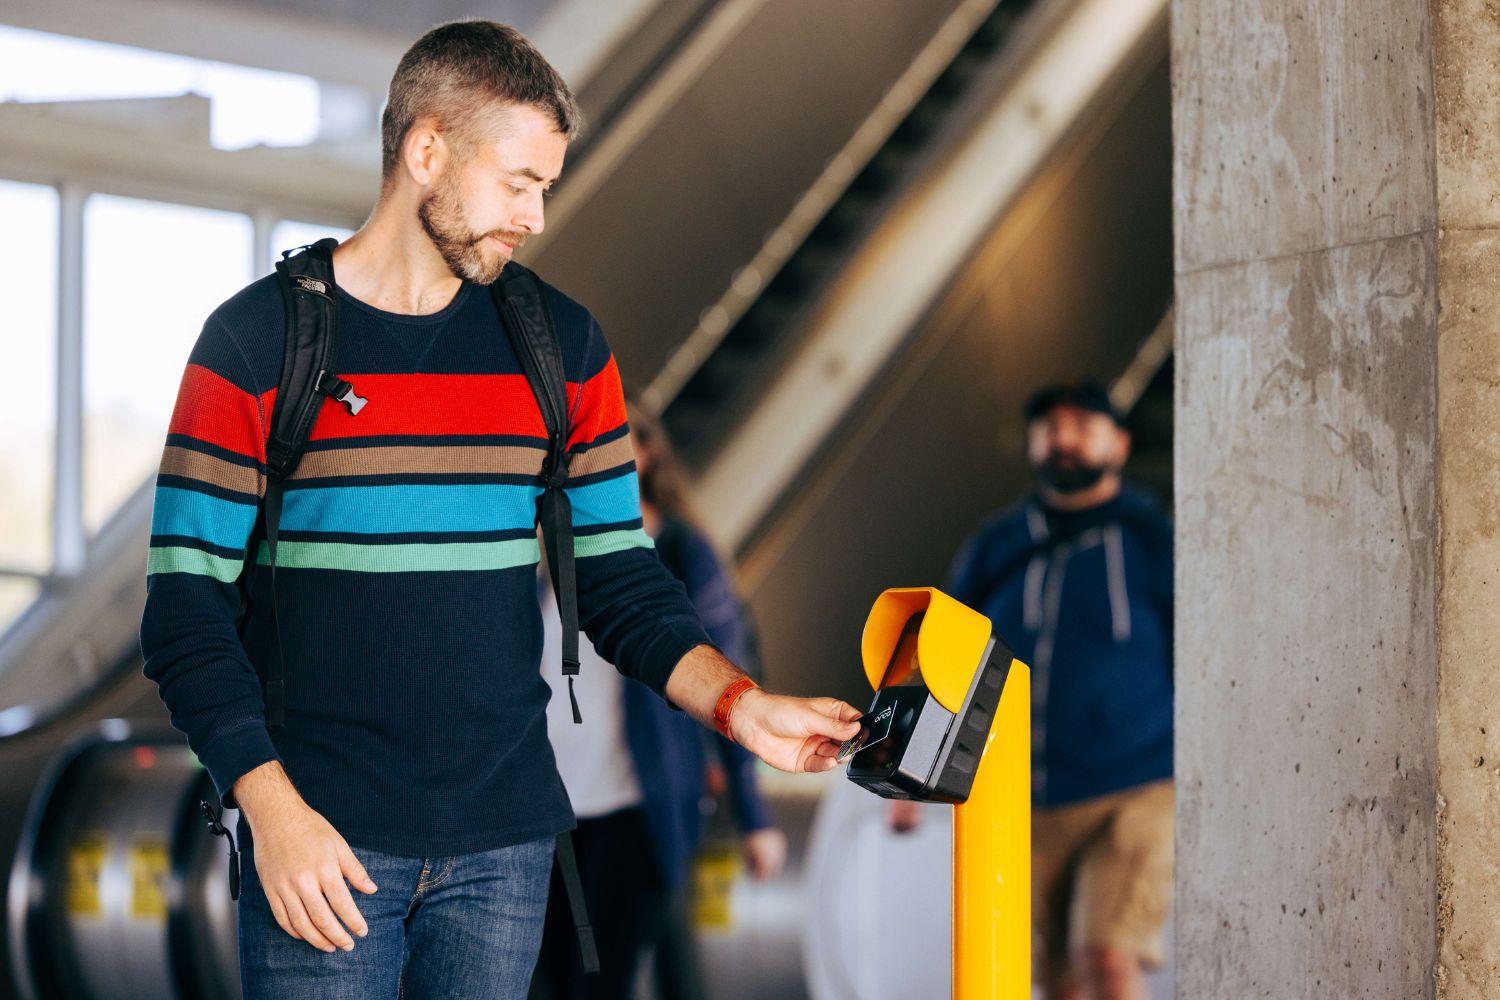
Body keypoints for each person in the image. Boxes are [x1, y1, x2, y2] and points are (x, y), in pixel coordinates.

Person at [137, 21, 860, 999]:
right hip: (322, 840)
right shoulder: (254, 343)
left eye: (547, 187)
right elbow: (184, 612)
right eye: (519, 182)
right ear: (426, 151)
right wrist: (270, 811)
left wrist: (741, 705)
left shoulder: (562, 345)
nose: (537, 217)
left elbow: (618, 576)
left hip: (506, 850)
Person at [893, 381, 1173, 1000]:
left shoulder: (1154, 541)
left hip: (1136, 786)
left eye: (1084, 425)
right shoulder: (998, 543)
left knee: (1106, 954)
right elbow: (942, 649)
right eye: (1050, 427)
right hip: (1023, 794)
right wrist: (908, 769)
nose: (1064, 439)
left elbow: (1202, 650)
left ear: (1120, 444)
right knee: (1054, 980)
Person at [532, 402, 786, 999]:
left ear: (645, 455)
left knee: (603, 983)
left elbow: (731, 681)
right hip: (550, 816)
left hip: (634, 807)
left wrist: (754, 817)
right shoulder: (553, 555)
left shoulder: (679, 551)